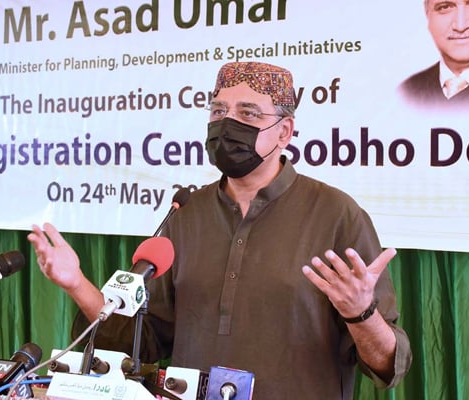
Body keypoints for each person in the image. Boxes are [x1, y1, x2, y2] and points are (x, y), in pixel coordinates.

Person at [28, 61, 412, 399]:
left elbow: (387, 365)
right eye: (218, 110)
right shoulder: (187, 214)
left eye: (248, 113)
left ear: (284, 131)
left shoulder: (335, 214)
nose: (228, 124)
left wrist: (361, 314)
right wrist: (76, 282)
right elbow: (141, 343)